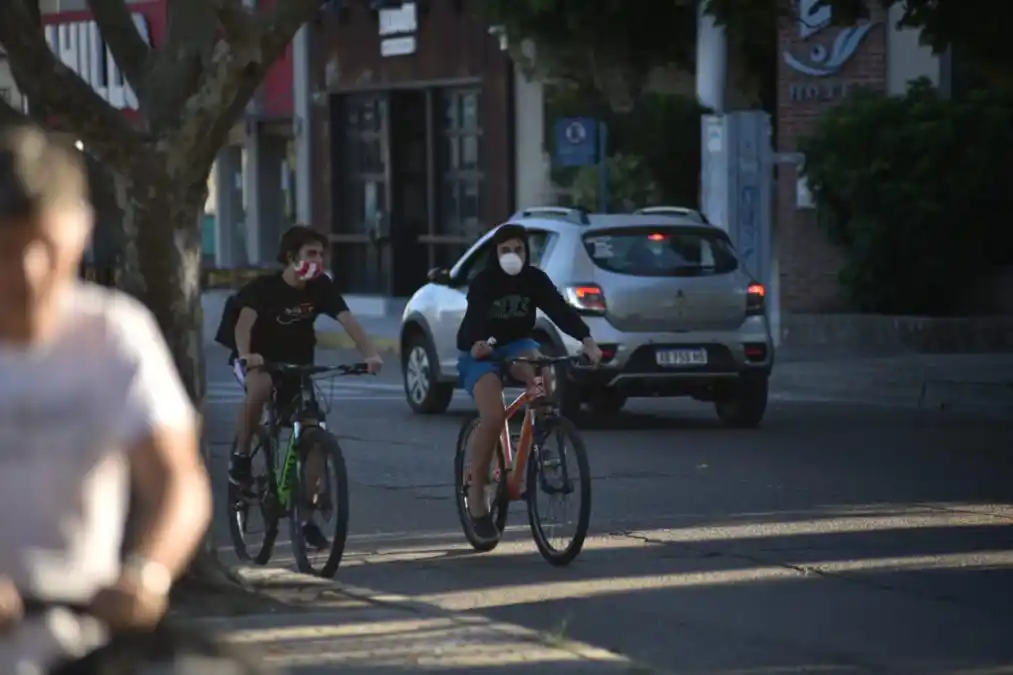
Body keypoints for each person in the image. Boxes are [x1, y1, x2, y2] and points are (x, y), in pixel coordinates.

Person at [0, 126, 211, 669]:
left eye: (44, 247)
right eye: (4, 252)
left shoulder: (113, 333)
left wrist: (147, 571)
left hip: (83, 644)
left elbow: (177, 478)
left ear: (81, 231)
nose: (28, 274)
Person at [219, 224, 383, 551]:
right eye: (311, 253)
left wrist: (369, 354)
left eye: (321, 254)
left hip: (297, 365)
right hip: (258, 360)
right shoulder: (264, 288)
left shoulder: (321, 287)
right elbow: (244, 324)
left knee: (314, 433)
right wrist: (248, 355)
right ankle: (241, 456)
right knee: (261, 388)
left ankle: (306, 518)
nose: (318, 260)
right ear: (292, 257)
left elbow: (348, 321)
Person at [456, 223, 603, 543]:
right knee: (493, 418)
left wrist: (587, 341)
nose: (512, 255)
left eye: (518, 249)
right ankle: (477, 498)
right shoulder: (484, 281)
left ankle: (544, 438)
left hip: (517, 345)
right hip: (480, 354)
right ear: (496, 253)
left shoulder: (534, 279)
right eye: (505, 250)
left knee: (540, 374)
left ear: (526, 252)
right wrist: (478, 343)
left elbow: (559, 310)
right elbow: (473, 320)